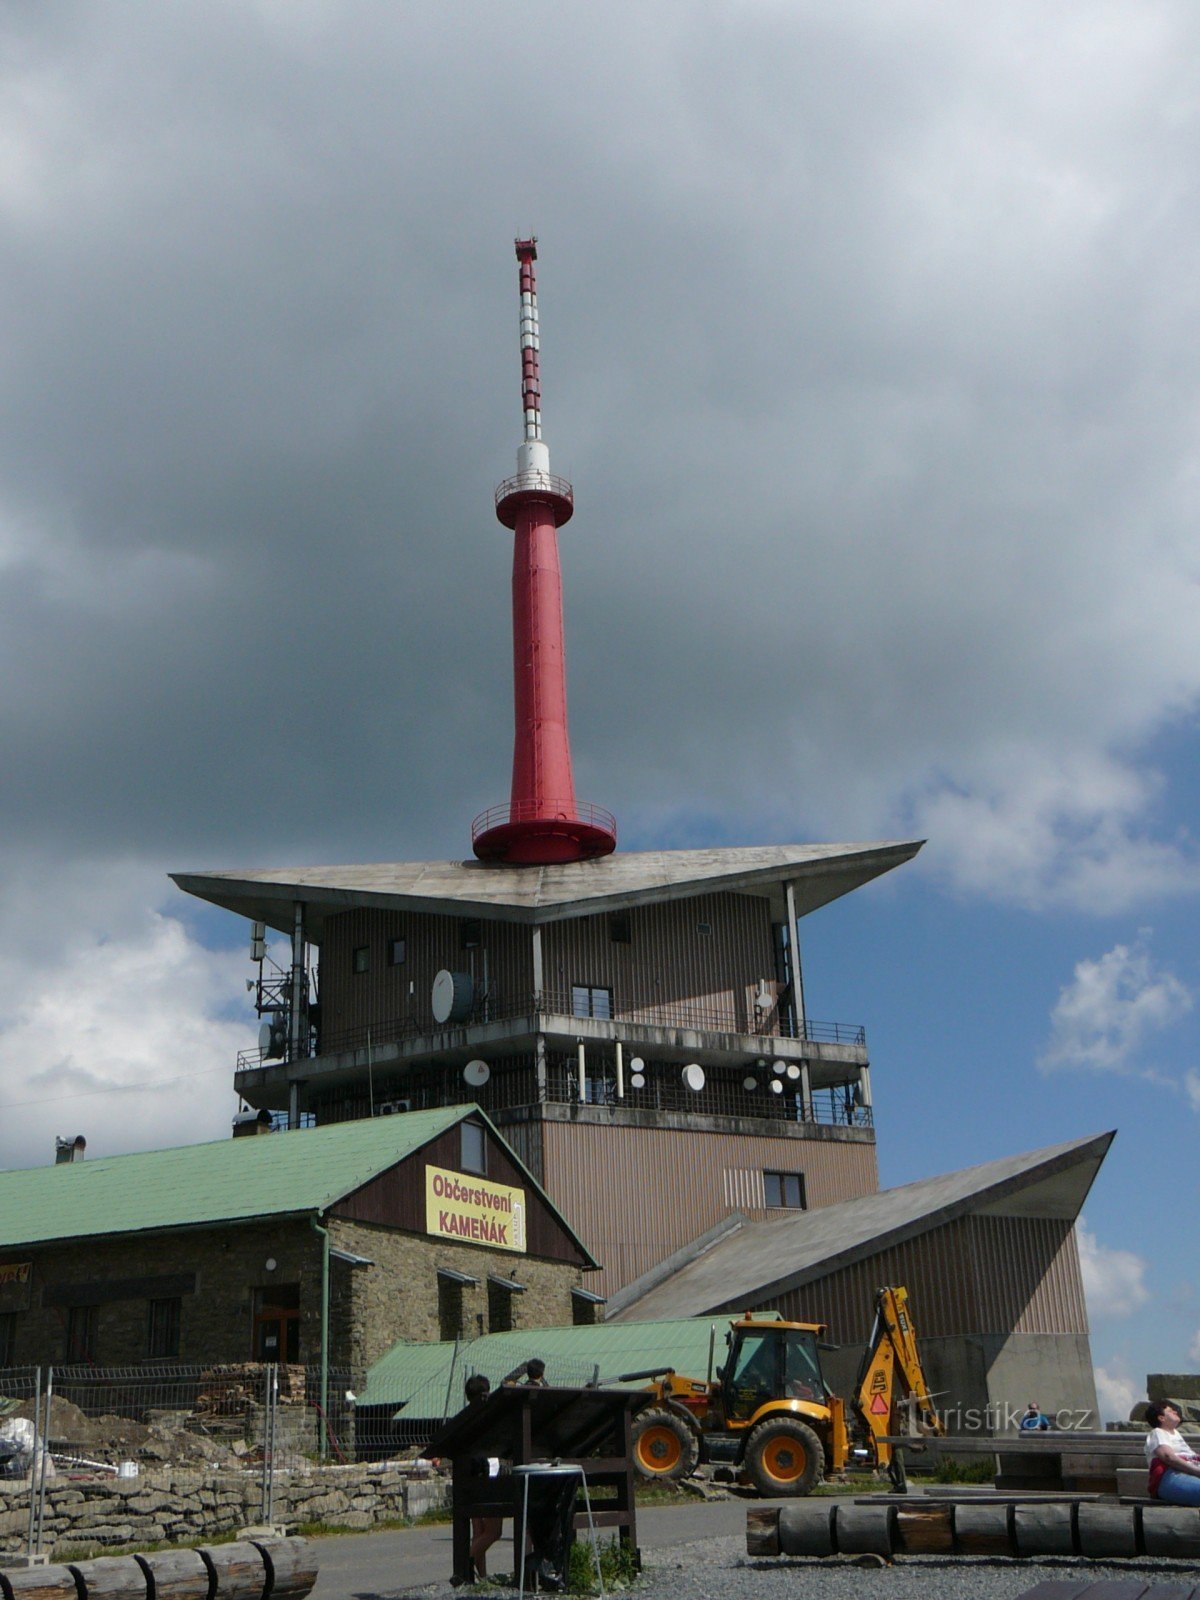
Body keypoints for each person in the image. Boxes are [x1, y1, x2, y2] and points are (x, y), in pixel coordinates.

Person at [463, 1374, 504, 1578]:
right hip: (488, 1475)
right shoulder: (489, 1417)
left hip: (471, 1476)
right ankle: (466, 1563)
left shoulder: (465, 1418)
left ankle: (482, 1575)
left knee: (479, 1533)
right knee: (494, 1531)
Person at [1145, 1400, 1200, 1505]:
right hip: (1171, 1476)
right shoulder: (1157, 1432)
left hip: (1187, 1475)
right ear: (1161, 1418)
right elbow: (1168, 1457)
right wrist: (1197, 1472)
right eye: (1170, 1411)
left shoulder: (1176, 1434)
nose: (1175, 1412)